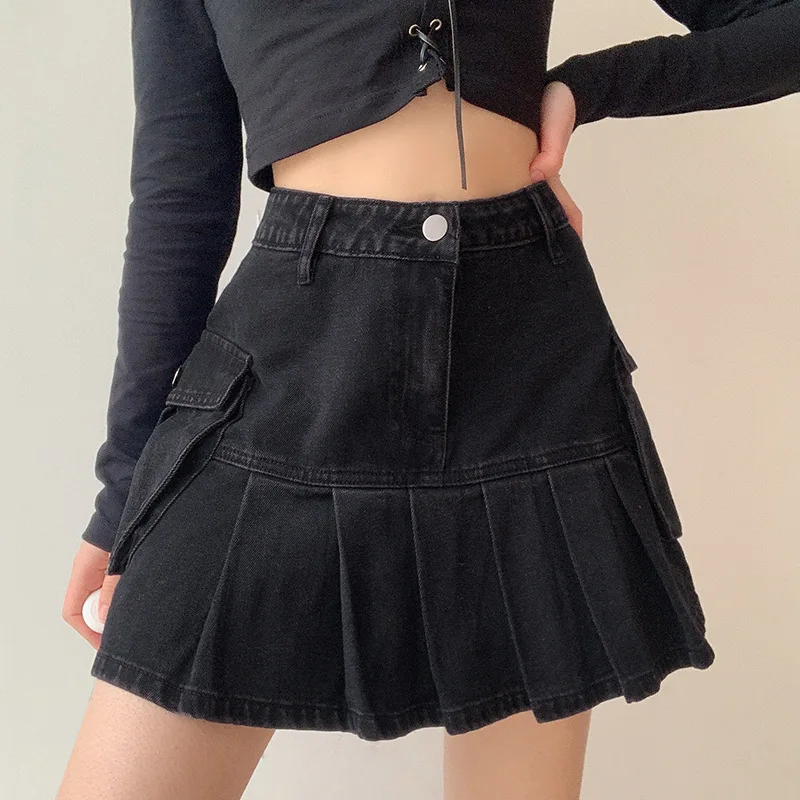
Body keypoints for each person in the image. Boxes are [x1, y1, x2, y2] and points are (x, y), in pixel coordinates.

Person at [59, 1, 798, 797]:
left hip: (524, 351)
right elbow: (180, 196)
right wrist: (124, 488)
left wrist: (588, 86)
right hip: (290, 360)